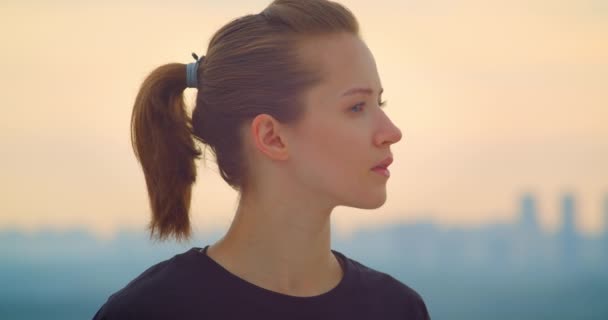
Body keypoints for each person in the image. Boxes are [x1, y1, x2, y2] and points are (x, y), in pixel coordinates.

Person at [92, 0, 431, 319]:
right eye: (357, 107)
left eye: (379, 104)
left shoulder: (398, 309)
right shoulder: (148, 312)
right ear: (272, 136)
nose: (391, 132)